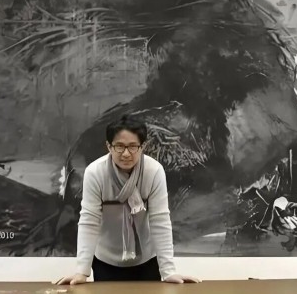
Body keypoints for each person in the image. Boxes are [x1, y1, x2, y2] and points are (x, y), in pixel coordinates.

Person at [56, 114, 201, 285]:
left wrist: (169, 272)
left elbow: (160, 221)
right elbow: (89, 221)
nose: (126, 153)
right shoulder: (95, 173)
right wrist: (82, 271)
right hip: (106, 261)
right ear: (109, 146)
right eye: (119, 146)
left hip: (147, 260)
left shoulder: (153, 171)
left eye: (133, 146)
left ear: (143, 146)